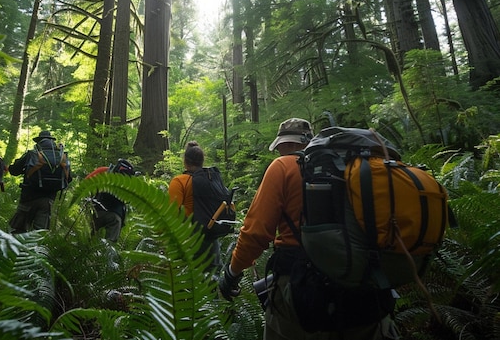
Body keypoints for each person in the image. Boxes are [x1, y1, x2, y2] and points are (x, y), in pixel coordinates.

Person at [217, 118, 398, 340]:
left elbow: (256, 234)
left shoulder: (283, 166)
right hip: (369, 288)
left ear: (285, 144)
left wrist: (232, 274)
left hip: (302, 290)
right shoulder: (360, 167)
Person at [168, 141, 222, 273]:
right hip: (211, 238)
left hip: (188, 240)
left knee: (188, 284)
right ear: (202, 161)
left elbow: (172, 214)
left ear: (185, 161)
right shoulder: (211, 179)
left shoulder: (179, 181)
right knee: (211, 282)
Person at [8, 130, 72, 234]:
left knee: (18, 230)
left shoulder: (32, 154)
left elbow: (14, 171)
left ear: (39, 141)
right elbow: (68, 178)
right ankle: (35, 250)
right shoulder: (61, 157)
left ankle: (17, 249)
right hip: (48, 200)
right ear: (52, 142)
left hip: (28, 197)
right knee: (39, 234)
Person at [87, 159, 136, 242]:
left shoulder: (103, 171)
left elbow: (85, 183)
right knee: (110, 242)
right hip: (115, 216)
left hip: (96, 210)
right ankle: (107, 251)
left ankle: (85, 249)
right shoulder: (129, 182)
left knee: (88, 235)